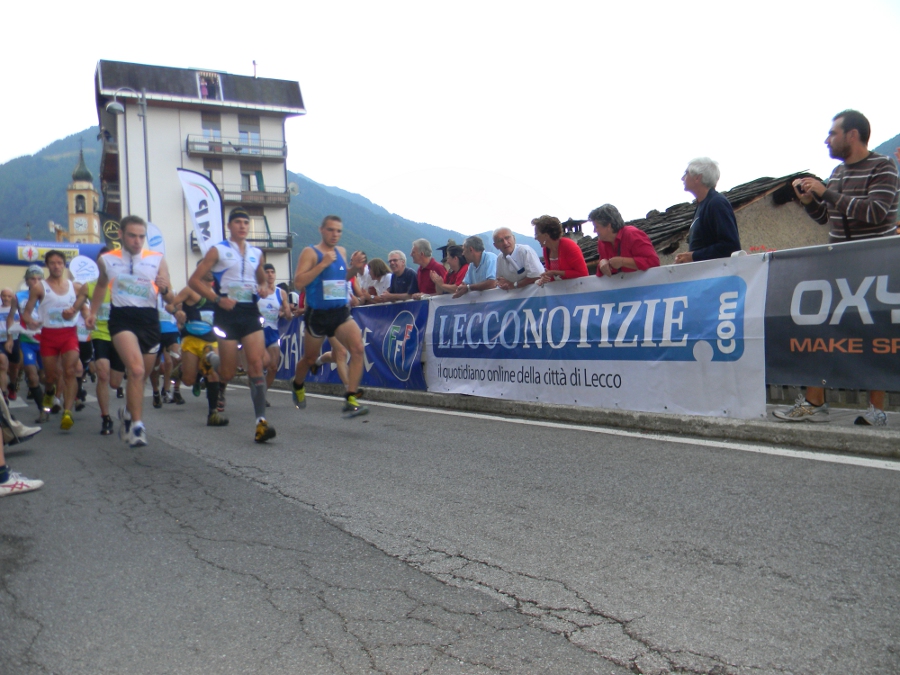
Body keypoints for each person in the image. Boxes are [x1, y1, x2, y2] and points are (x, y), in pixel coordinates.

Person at [775, 110, 899, 427]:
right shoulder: (839, 172)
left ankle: (876, 410)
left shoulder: (883, 166)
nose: (827, 139)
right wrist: (809, 201)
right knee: (821, 330)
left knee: (874, 334)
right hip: (838, 265)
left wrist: (825, 191)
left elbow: (874, 212)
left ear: (852, 135)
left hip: (876, 265)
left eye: (833, 133)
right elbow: (827, 217)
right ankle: (814, 402)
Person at [189, 208, 276, 442]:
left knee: (256, 365)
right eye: (237, 222)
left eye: (246, 223)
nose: (242, 226)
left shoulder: (256, 253)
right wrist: (217, 299)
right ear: (229, 226)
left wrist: (263, 288)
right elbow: (194, 281)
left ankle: (261, 422)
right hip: (226, 313)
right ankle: (210, 358)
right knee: (227, 373)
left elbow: (261, 279)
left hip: (249, 312)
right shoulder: (218, 251)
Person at [87, 215, 170, 447]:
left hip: (149, 322)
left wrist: (165, 290)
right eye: (132, 236)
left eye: (141, 236)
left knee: (140, 377)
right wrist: (92, 312)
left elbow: (169, 296)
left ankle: (127, 413)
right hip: (122, 320)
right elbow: (101, 285)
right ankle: (137, 427)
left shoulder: (157, 259)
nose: (137, 241)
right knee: (136, 369)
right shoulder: (107, 260)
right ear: (121, 235)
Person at [290, 215, 368, 418]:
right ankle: (297, 384)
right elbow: (298, 283)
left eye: (339, 231)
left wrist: (354, 269)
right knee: (309, 358)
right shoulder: (310, 252)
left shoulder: (341, 251)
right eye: (331, 230)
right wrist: (322, 264)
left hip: (340, 312)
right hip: (317, 314)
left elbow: (341, 277)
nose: (335, 234)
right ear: (321, 230)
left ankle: (350, 397)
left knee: (357, 349)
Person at [22, 250, 82, 431]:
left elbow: (84, 305)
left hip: (69, 334)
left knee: (69, 371)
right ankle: (49, 393)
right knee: (51, 377)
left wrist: (87, 315)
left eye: (59, 263)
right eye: (53, 263)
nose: (56, 266)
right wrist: (30, 321)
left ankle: (67, 412)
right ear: (47, 265)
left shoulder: (74, 286)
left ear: (64, 265)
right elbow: (26, 313)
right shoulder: (39, 287)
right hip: (48, 335)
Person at [169, 271, 229, 427]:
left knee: (213, 373)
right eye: (206, 269)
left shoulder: (218, 293)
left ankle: (213, 414)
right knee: (188, 381)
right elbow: (170, 305)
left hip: (210, 340)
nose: (210, 272)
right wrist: (177, 312)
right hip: (191, 339)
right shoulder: (190, 290)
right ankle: (182, 369)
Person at [75, 252, 125, 435]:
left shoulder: (124, 285)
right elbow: (77, 306)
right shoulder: (89, 286)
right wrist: (73, 310)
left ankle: (124, 410)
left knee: (115, 383)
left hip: (120, 335)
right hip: (99, 334)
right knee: (102, 373)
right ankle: (106, 417)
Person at [674, 158, 741, 263]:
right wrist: (689, 257)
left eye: (686, 173)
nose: (682, 178)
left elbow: (731, 246)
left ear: (697, 178)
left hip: (718, 272)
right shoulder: (703, 205)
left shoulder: (717, 203)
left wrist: (693, 256)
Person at [589, 204, 660, 276]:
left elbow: (653, 262)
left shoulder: (632, 235)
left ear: (608, 226)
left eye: (596, 227)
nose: (594, 231)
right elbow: (602, 274)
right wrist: (602, 263)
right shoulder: (601, 243)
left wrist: (622, 261)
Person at [15, 267, 48, 423]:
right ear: (27, 281)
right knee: (32, 377)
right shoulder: (18, 297)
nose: (36, 282)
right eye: (32, 279)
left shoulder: (48, 296)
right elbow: (11, 316)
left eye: (39, 279)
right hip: (26, 340)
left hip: (45, 341)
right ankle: (43, 410)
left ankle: (50, 399)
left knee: (46, 378)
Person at [257, 263, 291, 395]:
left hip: (273, 332)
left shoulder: (281, 293)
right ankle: (257, 390)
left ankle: (261, 395)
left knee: (273, 367)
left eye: (272, 272)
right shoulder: (257, 291)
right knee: (259, 366)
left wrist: (287, 313)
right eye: (267, 272)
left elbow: (288, 314)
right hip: (258, 332)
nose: (270, 275)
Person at [532, 216, 588, 285]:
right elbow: (551, 276)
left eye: (536, 234)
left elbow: (583, 273)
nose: (535, 238)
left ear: (546, 235)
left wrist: (554, 272)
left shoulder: (569, 246)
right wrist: (545, 278)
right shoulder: (546, 250)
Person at [0, 288, 21, 402]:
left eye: (9, 296)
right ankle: (3, 394)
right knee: (2, 364)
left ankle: (12, 386)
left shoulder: (17, 310)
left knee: (14, 367)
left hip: (14, 340)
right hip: (0, 340)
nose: (6, 298)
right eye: (4, 296)